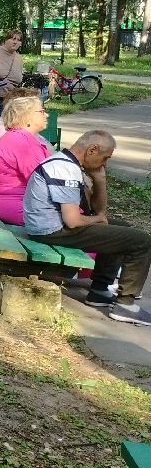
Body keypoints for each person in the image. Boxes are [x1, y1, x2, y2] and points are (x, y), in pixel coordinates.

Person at [22, 130, 151, 325]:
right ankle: (126, 305)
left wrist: (100, 180)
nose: (104, 164)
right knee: (141, 240)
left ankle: (100, 290)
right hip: (50, 231)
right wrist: (98, 219)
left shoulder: (69, 163)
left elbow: (96, 210)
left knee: (121, 229)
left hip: (51, 227)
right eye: (105, 158)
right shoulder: (65, 168)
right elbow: (73, 221)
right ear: (92, 150)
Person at [0, 95, 51, 225]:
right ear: (27, 116)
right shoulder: (24, 143)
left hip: (2, 203)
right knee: (79, 222)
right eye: (42, 111)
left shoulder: (14, 137)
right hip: (19, 207)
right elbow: (43, 182)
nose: (46, 115)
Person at [0, 87, 42, 191]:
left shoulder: (9, 126)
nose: (44, 114)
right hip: (11, 194)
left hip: (3, 192)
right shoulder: (9, 136)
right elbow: (37, 174)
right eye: (39, 110)